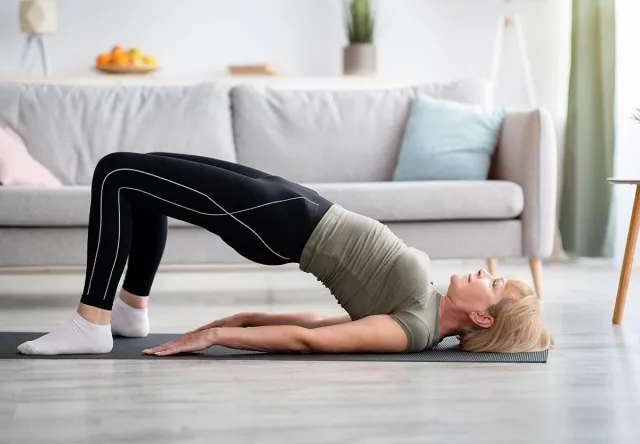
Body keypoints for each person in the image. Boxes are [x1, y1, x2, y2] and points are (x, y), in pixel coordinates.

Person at [18, 152, 552, 356]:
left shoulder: (413, 330)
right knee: (144, 176)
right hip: (297, 205)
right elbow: (324, 320)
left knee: (116, 173)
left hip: (280, 225)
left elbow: (313, 340)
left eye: (496, 284)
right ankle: (131, 314)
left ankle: (93, 321)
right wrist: (254, 315)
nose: (487, 273)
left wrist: (222, 334)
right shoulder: (426, 313)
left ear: (481, 315)